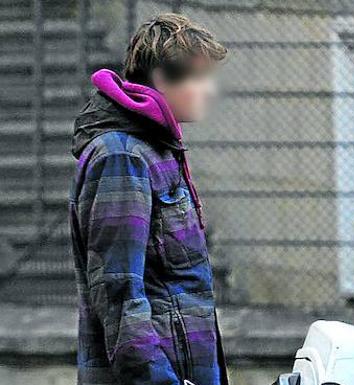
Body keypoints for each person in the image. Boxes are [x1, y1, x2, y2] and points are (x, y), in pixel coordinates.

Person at [70, 14, 228, 385]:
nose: (209, 91)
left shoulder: (155, 147)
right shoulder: (122, 156)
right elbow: (118, 290)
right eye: (199, 78)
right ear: (160, 78)